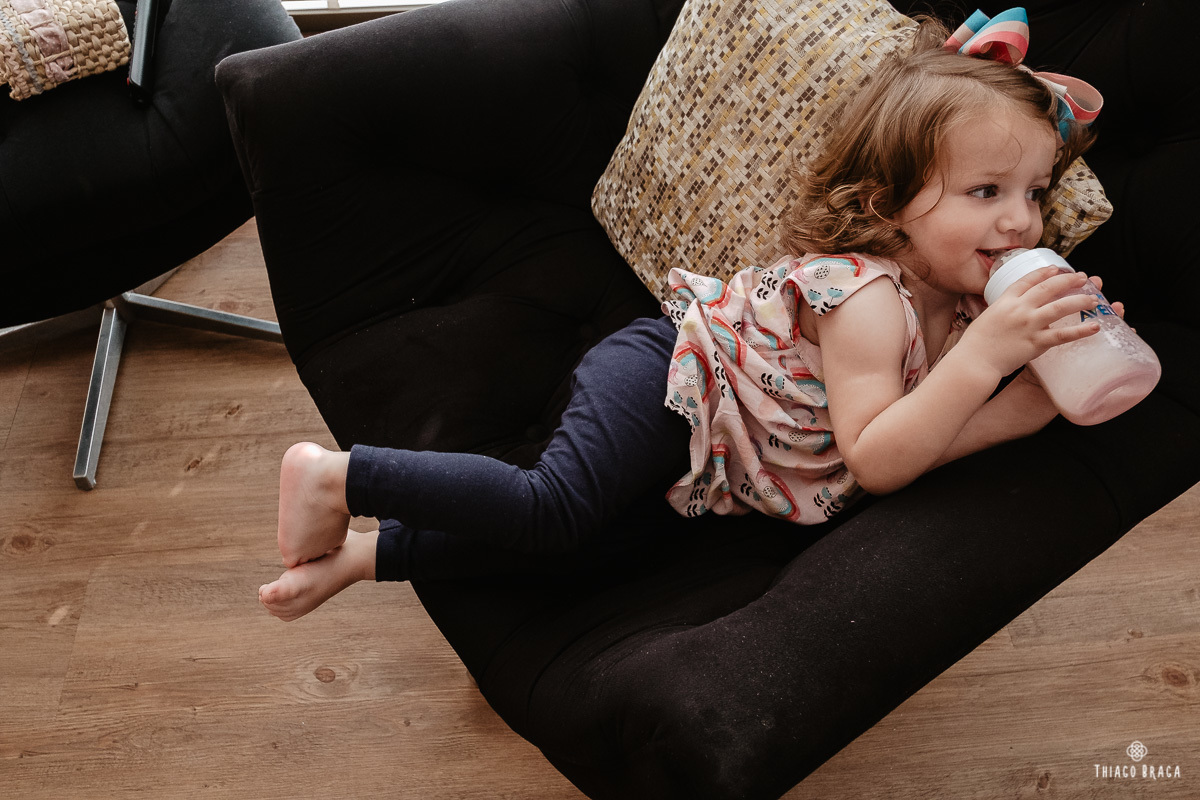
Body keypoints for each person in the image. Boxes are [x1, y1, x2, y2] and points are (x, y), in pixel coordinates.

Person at [259, 12, 1120, 621]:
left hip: (716, 452)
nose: (1021, 221)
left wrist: (1022, 404)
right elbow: (880, 457)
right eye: (986, 191)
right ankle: (339, 476)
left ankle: (372, 556)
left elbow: (915, 435)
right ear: (891, 203)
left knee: (595, 548)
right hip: (673, 378)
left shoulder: (967, 307)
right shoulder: (867, 300)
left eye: (1035, 193)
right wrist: (986, 371)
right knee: (552, 506)